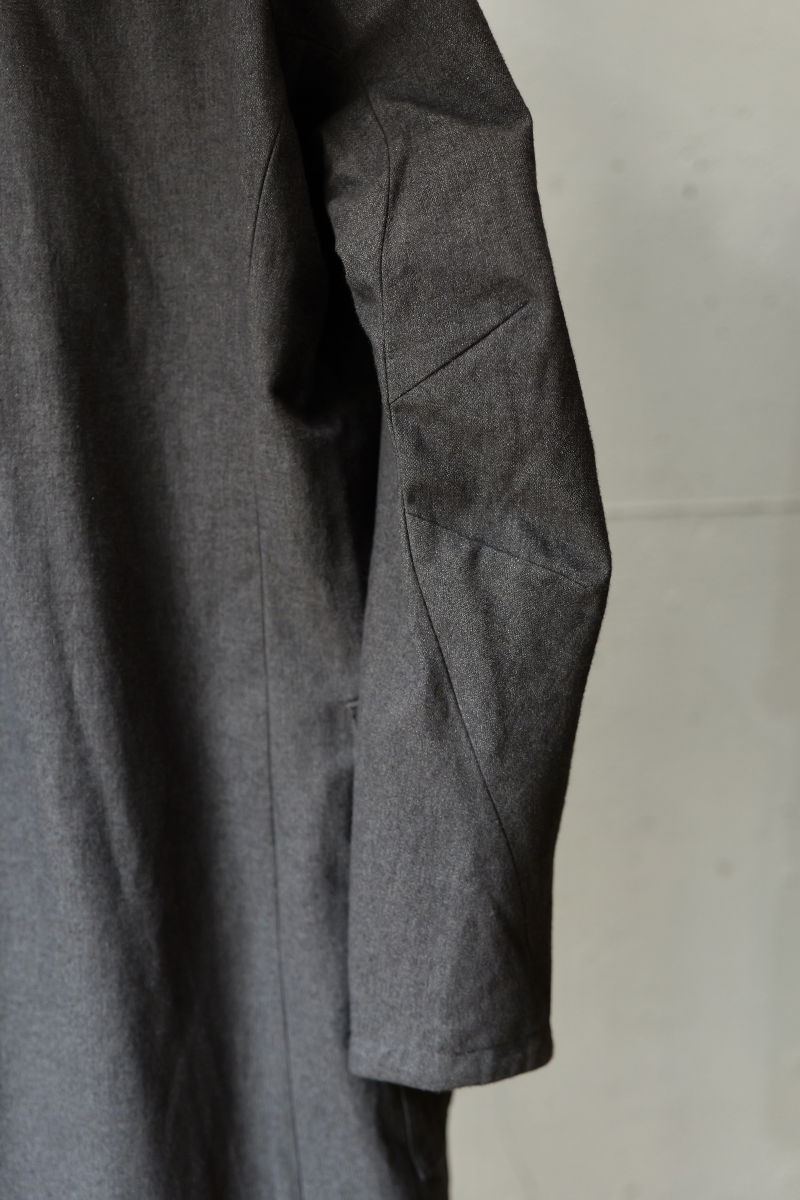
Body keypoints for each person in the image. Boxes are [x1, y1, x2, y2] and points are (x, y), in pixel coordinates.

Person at [0, 0, 610, 1195]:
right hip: (208, 948)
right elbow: (489, 435)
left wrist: (425, 964)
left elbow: (482, 416)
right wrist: (428, 963)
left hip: (174, 937)